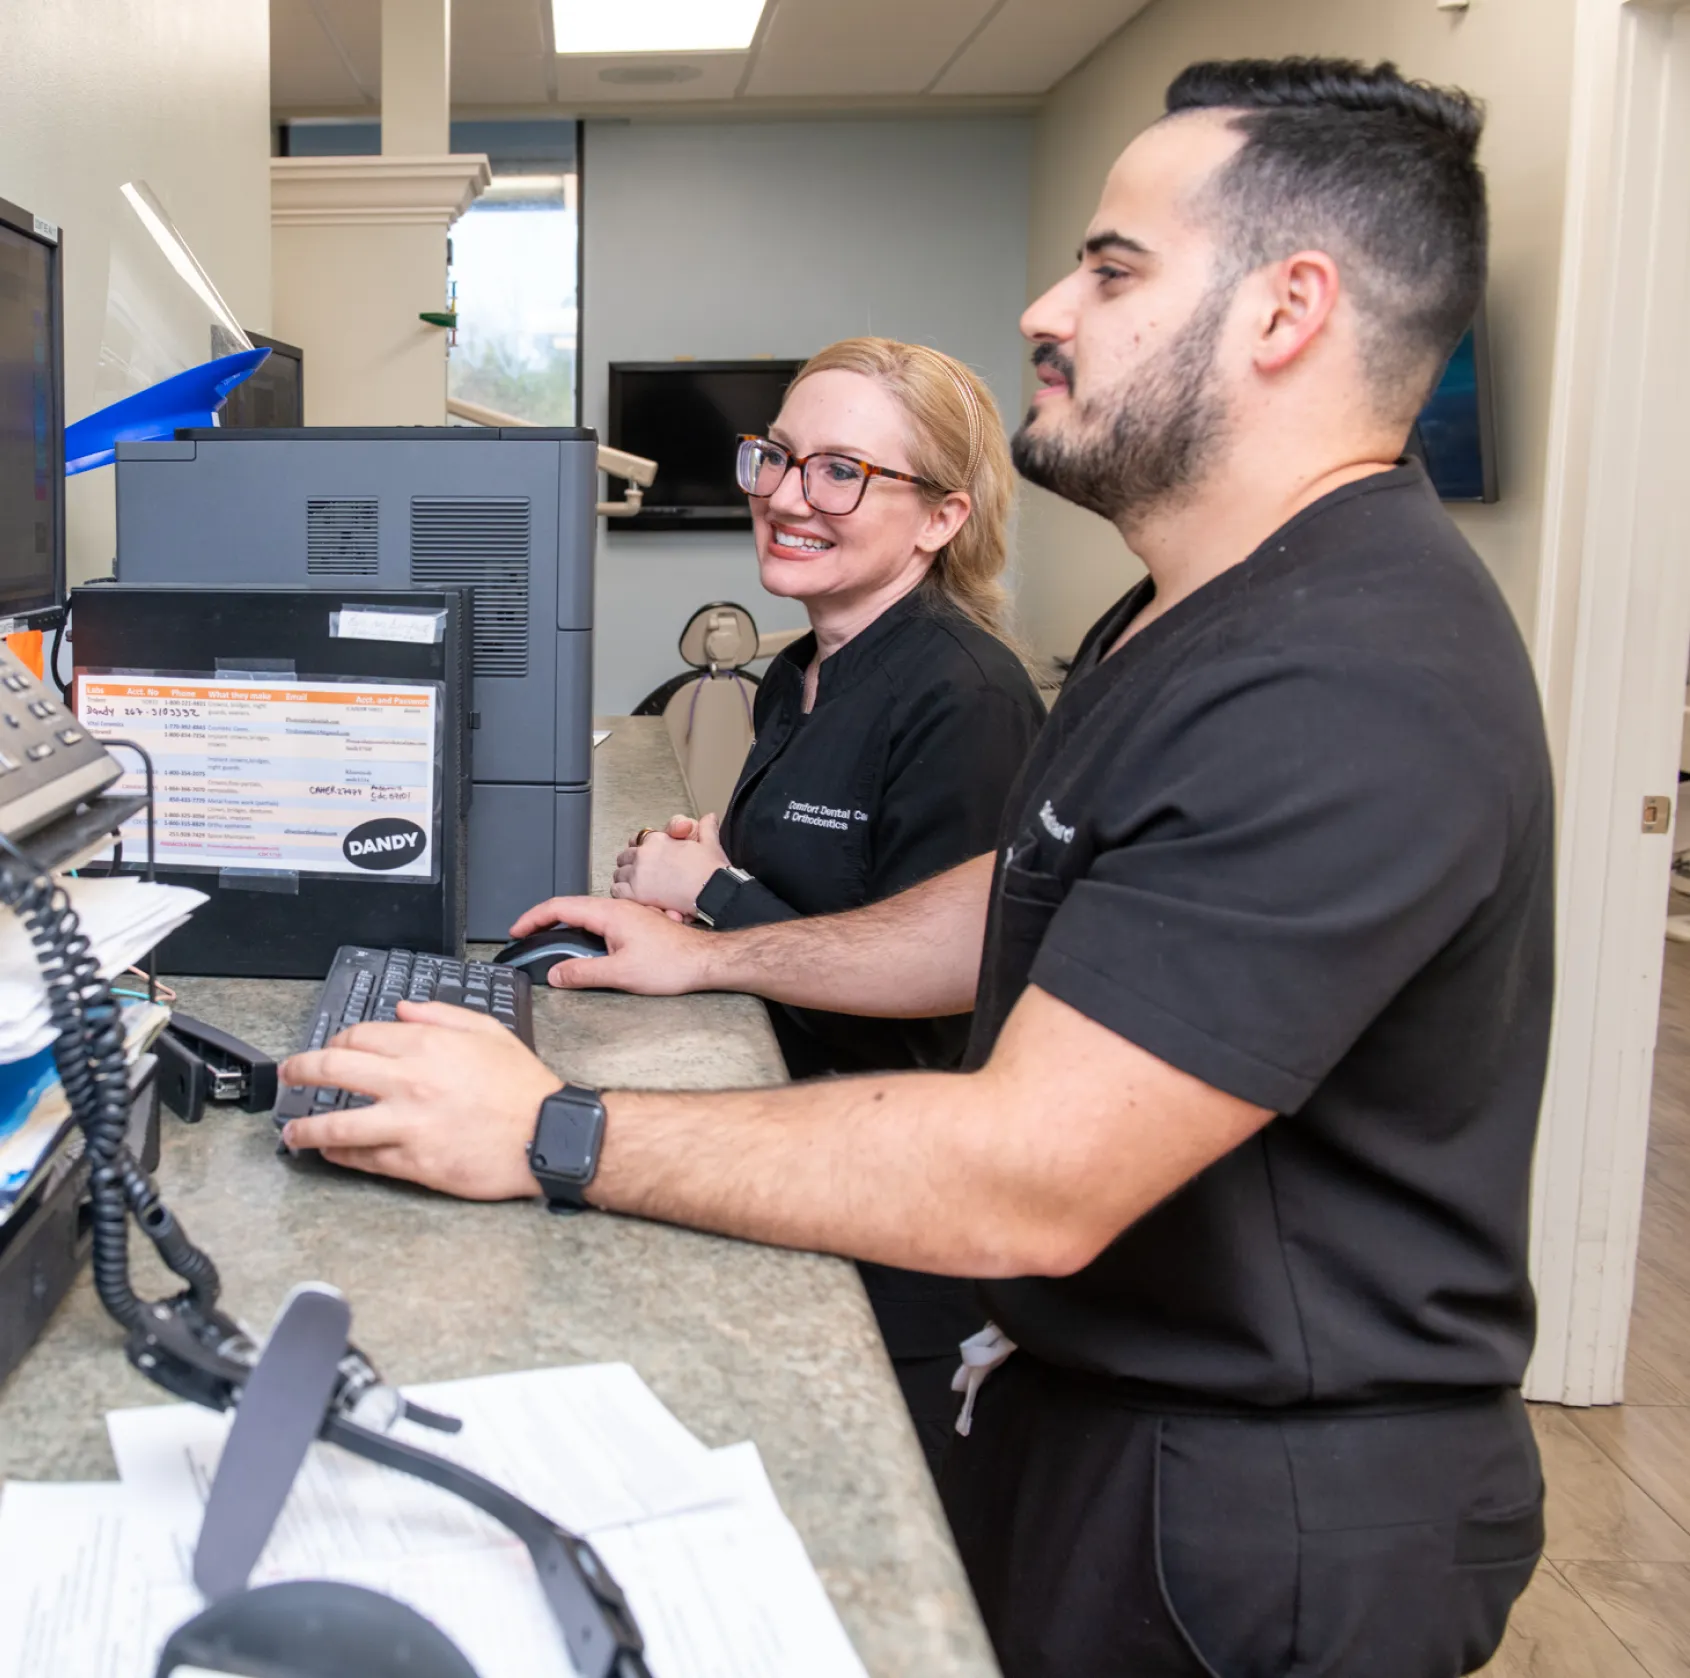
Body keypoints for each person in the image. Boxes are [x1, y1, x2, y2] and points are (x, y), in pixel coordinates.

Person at [280, 57, 1553, 1678]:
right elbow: (1010, 902)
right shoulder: (1204, 611)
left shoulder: (1339, 671)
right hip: (1109, 1406)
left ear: (1286, 308)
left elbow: (1033, 1169)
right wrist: (720, 953)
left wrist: (548, 1126)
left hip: (1259, 1508)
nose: (1047, 306)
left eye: (1110, 267)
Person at [612, 337, 1046, 1470]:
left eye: (841, 471)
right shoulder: (793, 672)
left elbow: (937, 976)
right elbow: (820, 883)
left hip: (896, 1209)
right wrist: (717, 868)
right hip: (790, 1145)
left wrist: (713, 898)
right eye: (778, 457)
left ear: (941, 518)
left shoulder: (965, 697)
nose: (788, 498)